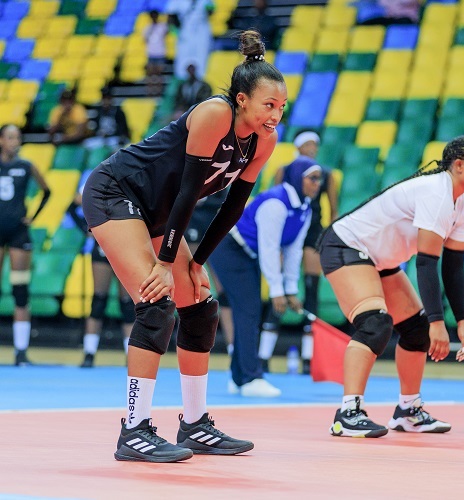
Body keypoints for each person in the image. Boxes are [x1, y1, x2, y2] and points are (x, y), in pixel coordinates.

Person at [81, 30, 286, 463]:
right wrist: (165, 263)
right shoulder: (214, 114)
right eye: (269, 105)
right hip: (117, 192)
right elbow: (189, 193)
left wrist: (197, 263)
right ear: (242, 99)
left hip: (159, 211)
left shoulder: (264, 141)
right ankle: (134, 430)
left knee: (200, 304)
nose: (276, 115)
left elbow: (232, 207)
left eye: (282, 106)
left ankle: (194, 425)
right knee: (156, 302)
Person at [317, 135, 464, 438]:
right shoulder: (436, 192)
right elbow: (426, 263)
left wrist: (462, 320)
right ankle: (347, 414)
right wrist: (438, 321)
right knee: (375, 323)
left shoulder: (463, 207)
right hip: (346, 245)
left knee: (416, 330)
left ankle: (408, 411)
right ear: (459, 165)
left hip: (379, 259)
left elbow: (452, 268)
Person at [209, 157, 321, 397]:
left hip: (248, 254)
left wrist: (291, 289)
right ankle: (250, 378)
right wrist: (277, 291)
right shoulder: (276, 203)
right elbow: (269, 249)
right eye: (312, 178)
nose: (317, 184)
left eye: (319, 179)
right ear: (298, 178)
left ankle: (240, 377)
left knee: (248, 311)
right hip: (228, 247)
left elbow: (293, 250)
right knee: (248, 310)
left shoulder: (305, 209)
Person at [273, 130, 338, 374]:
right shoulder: (284, 171)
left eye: (315, 144)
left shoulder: (326, 174)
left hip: (312, 232)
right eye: (308, 144)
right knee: (278, 286)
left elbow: (333, 210)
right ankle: (264, 353)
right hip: (288, 230)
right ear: (298, 147)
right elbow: (275, 200)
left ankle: (309, 357)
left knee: (312, 287)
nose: (312, 148)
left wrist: (329, 237)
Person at [66, 169, 133, 368]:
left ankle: (131, 355)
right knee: (99, 300)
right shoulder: (98, 183)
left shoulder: (134, 184)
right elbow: (71, 207)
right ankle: (89, 353)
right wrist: (86, 228)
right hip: (103, 246)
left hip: (126, 247)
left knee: (128, 303)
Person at [0, 124, 51, 366]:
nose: (15, 141)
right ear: (1, 140)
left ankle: (21, 352)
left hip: (18, 233)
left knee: (20, 290)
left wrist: (32, 217)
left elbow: (47, 191)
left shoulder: (26, 166)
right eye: (10, 137)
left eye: (18, 137)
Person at [183, 189, 235, 359]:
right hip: (187, 226)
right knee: (189, 292)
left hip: (212, 228)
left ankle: (233, 349)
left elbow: (229, 199)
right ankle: (190, 345)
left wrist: (203, 201)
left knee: (225, 292)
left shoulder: (220, 176)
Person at [166, 0, 214, 80]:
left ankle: (199, 81)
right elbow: (170, 16)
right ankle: (183, 82)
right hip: (185, 32)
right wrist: (175, 31)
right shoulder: (176, 2)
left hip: (202, 32)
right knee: (183, 59)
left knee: (201, 59)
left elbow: (211, 11)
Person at [83, 87, 131, 152]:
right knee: (86, 143)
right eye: (104, 99)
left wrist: (113, 135)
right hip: (102, 138)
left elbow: (123, 129)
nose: (105, 102)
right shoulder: (99, 111)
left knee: (120, 144)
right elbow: (96, 127)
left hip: (114, 138)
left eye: (107, 99)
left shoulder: (118, 112)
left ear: (111, 100)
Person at [143, 10, 168, 97]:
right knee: (150, 74)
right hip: (151, 53)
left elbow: (166, 34)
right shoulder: (148, 28)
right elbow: (145, 39)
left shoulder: (162, 26)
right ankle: (150, 91)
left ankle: (159, 91)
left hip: (160, 53)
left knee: (159, 73)